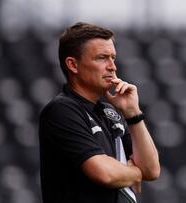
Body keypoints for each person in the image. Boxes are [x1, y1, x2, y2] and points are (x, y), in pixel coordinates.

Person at [38, 22, 160, 203]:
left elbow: (151, 170)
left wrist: (133, 114)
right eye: (102, 58)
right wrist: (135, 172)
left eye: (113, 58)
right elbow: (104, 174)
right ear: (73, 65)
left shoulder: (109, 113)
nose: (112, 66)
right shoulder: (62, 110)